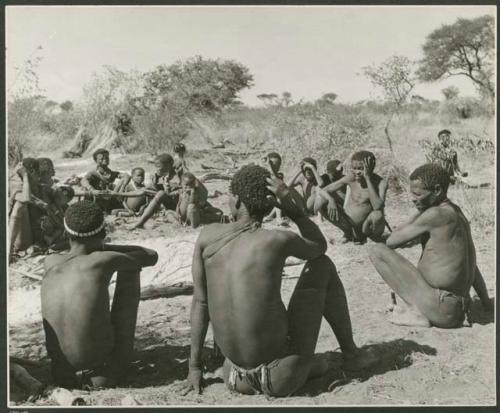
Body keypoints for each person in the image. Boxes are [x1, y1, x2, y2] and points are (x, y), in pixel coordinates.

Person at [181, 165, 376, 397]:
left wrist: (194, 369)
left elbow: (201, 304)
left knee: (315, 361)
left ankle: (312, 365)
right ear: (270, 205)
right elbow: (319, 247)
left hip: (234, 376)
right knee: (322, 265)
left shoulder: (207, 236)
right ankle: (350, 355)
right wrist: (294, 211)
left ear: (235, 200)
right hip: (279, 377)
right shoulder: (277, 240)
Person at [41, 201, 158, 389]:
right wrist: (104, 248)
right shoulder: (104, 260)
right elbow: (151, 256)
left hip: (61, 375)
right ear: (103, 234)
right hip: (101, 375)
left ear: (66, 233)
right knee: (131, 268)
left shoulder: (50, 262)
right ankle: (116, 363)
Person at [369, 164, 492, 328]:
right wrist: (486, 302)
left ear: (437, 190)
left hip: (440, 307)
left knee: (377, 251)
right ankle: (422, 308)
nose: (413, 198)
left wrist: (419, 212)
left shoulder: (435, 214)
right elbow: (471, 265)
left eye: (418, 194)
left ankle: (416, 312)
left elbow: (391, 242)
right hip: (457, 309)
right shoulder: (457, 212)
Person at [316, 151, 388, 244]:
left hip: (367, 226)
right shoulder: (351, 178)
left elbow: (378, 207)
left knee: (377, 215)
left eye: (361, 169)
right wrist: (331, 200)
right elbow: (323, 190)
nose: (357, 172)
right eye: (354, 168)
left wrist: (368, 179)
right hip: (349, 224)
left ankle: (370, 238)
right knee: (321, 202)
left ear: (371, 168)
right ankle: (349, 233)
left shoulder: (381, 183)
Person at [8, 159, 48, 258]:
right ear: (32, 171)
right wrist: (25, 175)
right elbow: (26, 198)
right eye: (37, 174)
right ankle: (8, 251)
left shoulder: (32, 184)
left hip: (31, 235)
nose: (38, 177)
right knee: (20, 205)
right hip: (17, 238)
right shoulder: (15, 182)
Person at [129, 153, 180, 230]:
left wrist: (168, 190)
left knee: (160, 194)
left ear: (169, 165)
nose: (157, 169)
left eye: (159, 166)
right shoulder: (162, 177)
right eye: (156, 167)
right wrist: (155, 181)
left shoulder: (177, 177)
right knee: (147, 190)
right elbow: (149, 189)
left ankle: (140, 222)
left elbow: (178, 193)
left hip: (179, 205)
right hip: (170, 207)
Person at [80, 148, 129, 213]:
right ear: (96, 161)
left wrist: (121, 188)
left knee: (123, 180)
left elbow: (127, 176)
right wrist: (92, 190)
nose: (105, 159)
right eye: (102, 158)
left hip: (109, 198)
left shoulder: (111, 173)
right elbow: (83, 180)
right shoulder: (93, 173)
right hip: (97, 199)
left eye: (107, 157)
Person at [39, 185, 75, 251]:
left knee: (62, 231)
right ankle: (50, 241)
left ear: (68, 200)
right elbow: (53, 215)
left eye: (60, 199)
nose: (58, 199)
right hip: (52, 223)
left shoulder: (65, 207)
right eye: (58, 198)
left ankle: (52, 240)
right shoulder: (52, 204)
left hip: (59, 226)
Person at [263, 152, 288, 226]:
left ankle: (277, 218)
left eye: (278, 165)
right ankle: (271, 216)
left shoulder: (280, 175)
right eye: (273, 165)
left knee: (280, 192)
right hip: (264, 202)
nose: (276, 168)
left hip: (274, 204)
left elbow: (274, 177)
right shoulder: (262, 173)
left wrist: (269, 165)